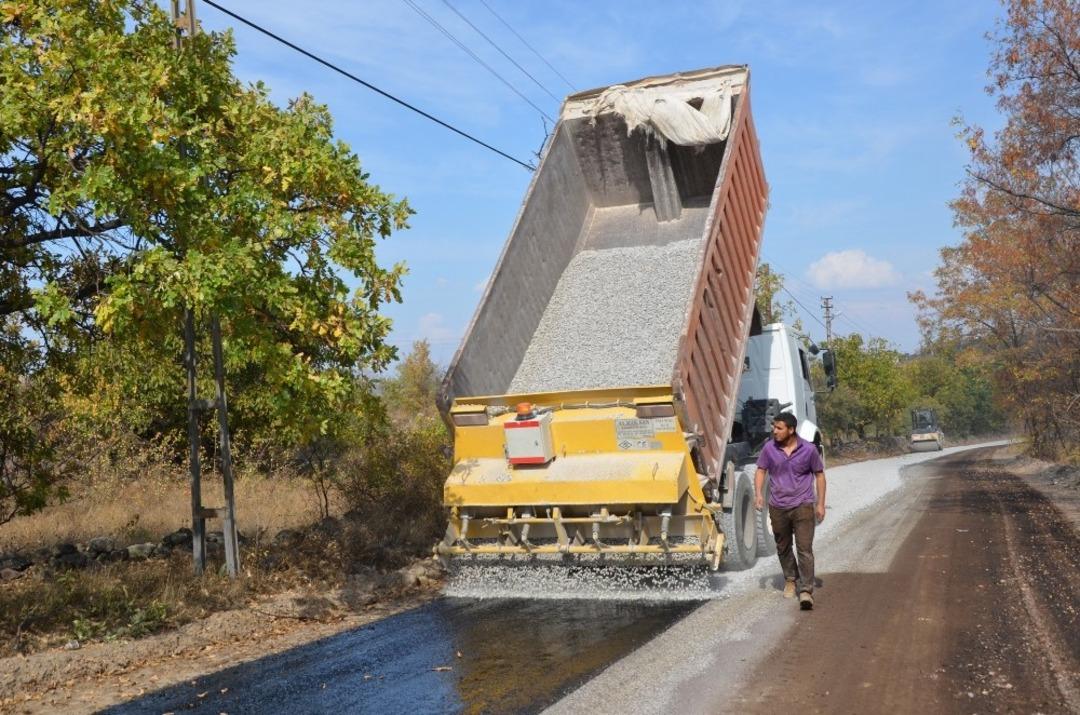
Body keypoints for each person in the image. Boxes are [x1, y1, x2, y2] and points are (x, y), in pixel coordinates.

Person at [753, 412, 826, 610]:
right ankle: (790, 580)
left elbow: (819, 475)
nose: (774, 431)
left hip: (803, 505)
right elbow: (761, 470)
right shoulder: (769, 449)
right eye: (774, 427)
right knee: (783, 547)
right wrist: (758, 493)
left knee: (804, 549)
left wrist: (820, 504)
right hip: (777, 506)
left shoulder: (809, 450)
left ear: (791, 430)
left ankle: (806, 591)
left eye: (779, 428)